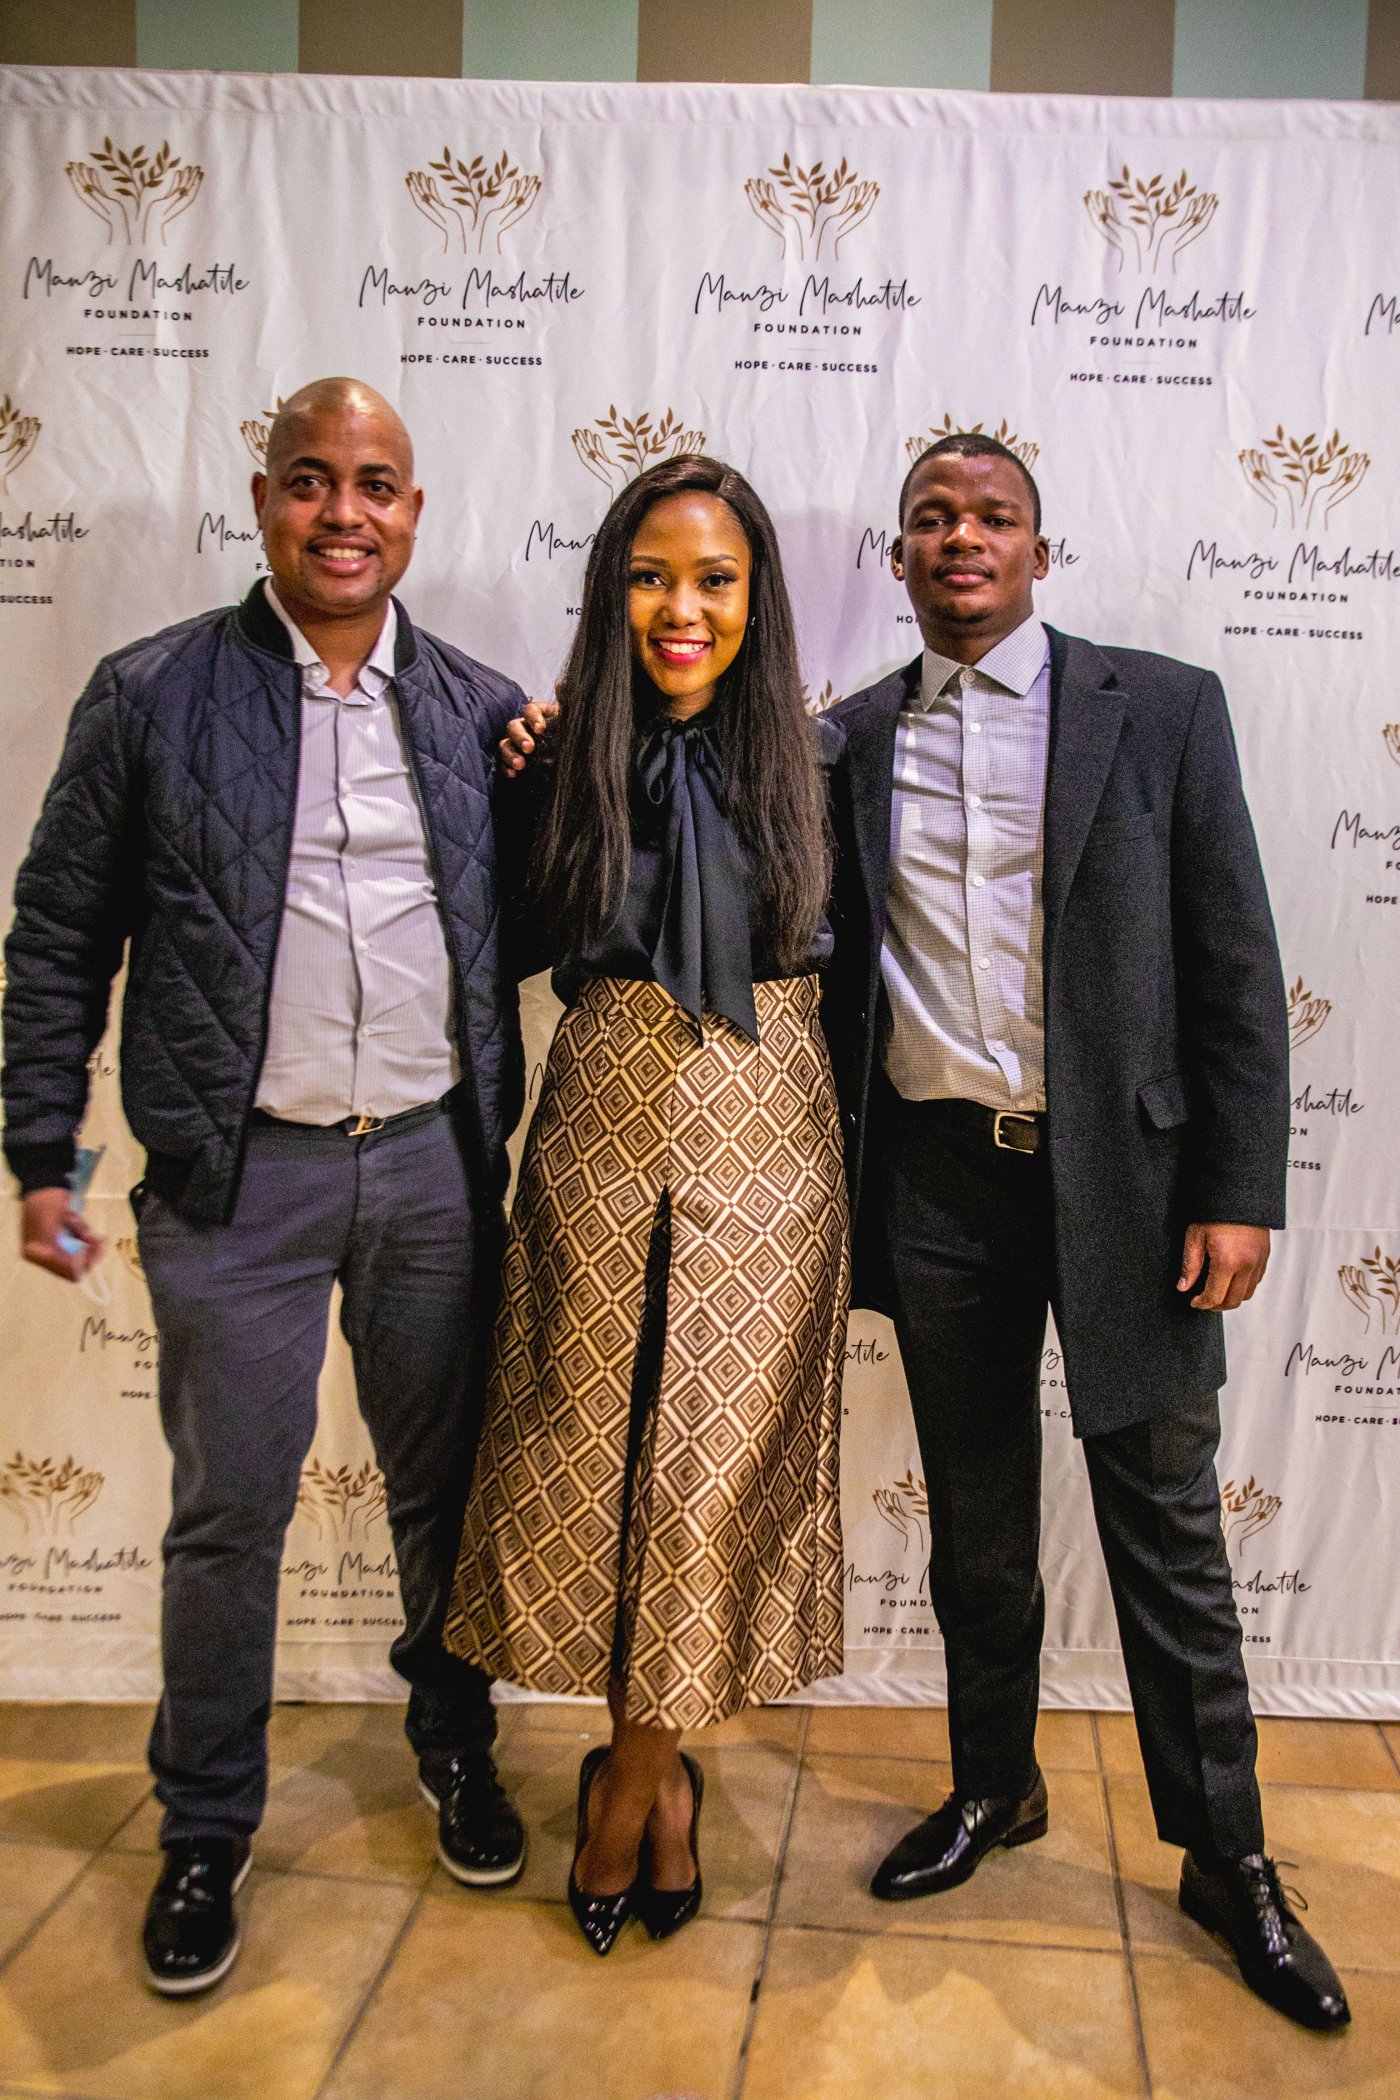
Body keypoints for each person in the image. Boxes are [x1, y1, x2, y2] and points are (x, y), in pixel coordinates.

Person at [2, 378, 529, 1997]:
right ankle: (205, 1828)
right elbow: (58, 936)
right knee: (229, 1517)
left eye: (373, 484)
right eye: (311, 480)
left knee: (447, 1498)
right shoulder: (150, 695)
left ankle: (457, 1749)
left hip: (434, 1171)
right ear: (264, 499)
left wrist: (575, 771)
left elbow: (560, 917)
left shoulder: (482, 713)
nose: (342, 513)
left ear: (413, 511)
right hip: (238, 1186)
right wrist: (43, 1157)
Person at [820, 431, 1348, 2031]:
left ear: (1040, 553)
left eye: (993, 517)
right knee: (978, 1524)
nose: (961, 539)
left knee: (1168, 1533)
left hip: (1129, 1188)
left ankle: (1227, 1856)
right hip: (938, 1185)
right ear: (898, 558)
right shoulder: (848, 740)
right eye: (932, 519)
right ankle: (997, 1787)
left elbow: (1234, 961)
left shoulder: (1162, 708)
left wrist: (1239, 1187)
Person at [444, 454, 849, 1955]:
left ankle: (630, 1789)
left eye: (715, 579)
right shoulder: (553, 761)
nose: (684, 607)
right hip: (601, 1136)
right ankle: (650, 1776)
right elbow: (497, 947)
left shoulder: (826, 758)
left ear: (758, 598)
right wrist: (536, 758)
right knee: (592, 1467)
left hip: (769, 1149)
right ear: (612, 593)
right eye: (651, 577)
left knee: (704, 1485)